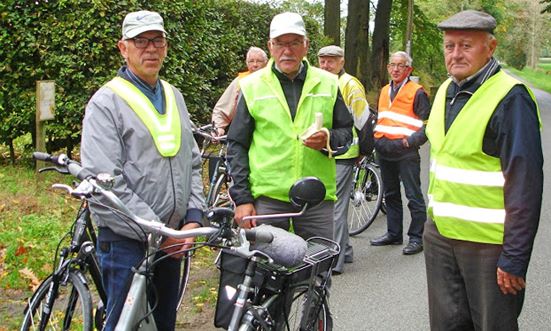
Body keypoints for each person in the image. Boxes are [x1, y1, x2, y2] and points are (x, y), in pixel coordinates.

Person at [80, 10, 206, 330]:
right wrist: (157, 233)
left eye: (157, 40)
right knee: (126, 324)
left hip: (173, 241)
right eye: (140, 41)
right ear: (123, 48)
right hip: (128, 242)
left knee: (163, 323)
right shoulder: (105, 103)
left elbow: (191, 161)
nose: (150, 48)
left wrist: (193, 217)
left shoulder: (174, 96)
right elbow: (104, 183)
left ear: (165, 46)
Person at [424, 10, 543, 330]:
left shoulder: (510, 98)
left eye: (466, 45)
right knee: (447, 325)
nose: (456, 54)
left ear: (490, 48)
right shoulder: (445, 93)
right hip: (440, 237)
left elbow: (526, 184)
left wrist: (515, 257)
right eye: (449, 46)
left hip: (488, 246)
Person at [227, 12, 353, 242]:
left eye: (294, 43)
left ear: (305, 46)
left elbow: (347, 133)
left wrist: (328, 139)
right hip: (268, 198)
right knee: (265, 272)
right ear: (270, 46)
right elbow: (236, 145)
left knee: (318, 270)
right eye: (280, 43)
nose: (287, 50)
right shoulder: (252, 86)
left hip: (317, 198)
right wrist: (242, 199)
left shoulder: (328, 83)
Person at [317, 45, 374, 274]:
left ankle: (335, 261)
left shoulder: (350, 84)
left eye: (331, 61)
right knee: (332, 204)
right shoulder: (319, 82)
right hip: (324, 152)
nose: (326, 65)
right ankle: (346, 251)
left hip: (345, 152)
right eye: (322, 60)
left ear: (342, 62)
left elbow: (363, 118)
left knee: (336, 208)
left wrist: (365, 149)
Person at [370, 51, 430, 255]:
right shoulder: (385, 90)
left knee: (413, 196)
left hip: (405, 153)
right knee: (391, 195)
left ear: (408, 69)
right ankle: (394, 234)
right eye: (392, 65)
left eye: (401, 65)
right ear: (388, 68)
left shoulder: (418, 92)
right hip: (384, 150)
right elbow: (382, 117)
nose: (396, 69)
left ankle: (416, 238)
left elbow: (427, 125)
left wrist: (410, 141)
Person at [211, 47, 268, 136]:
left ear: (266, 63)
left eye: (259, 61)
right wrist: (218, 127)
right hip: (243, 133)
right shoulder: (240, 81)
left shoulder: (273, 81)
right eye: (251, 61)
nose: (255, 64)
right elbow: (223, 107)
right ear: (247, 63)